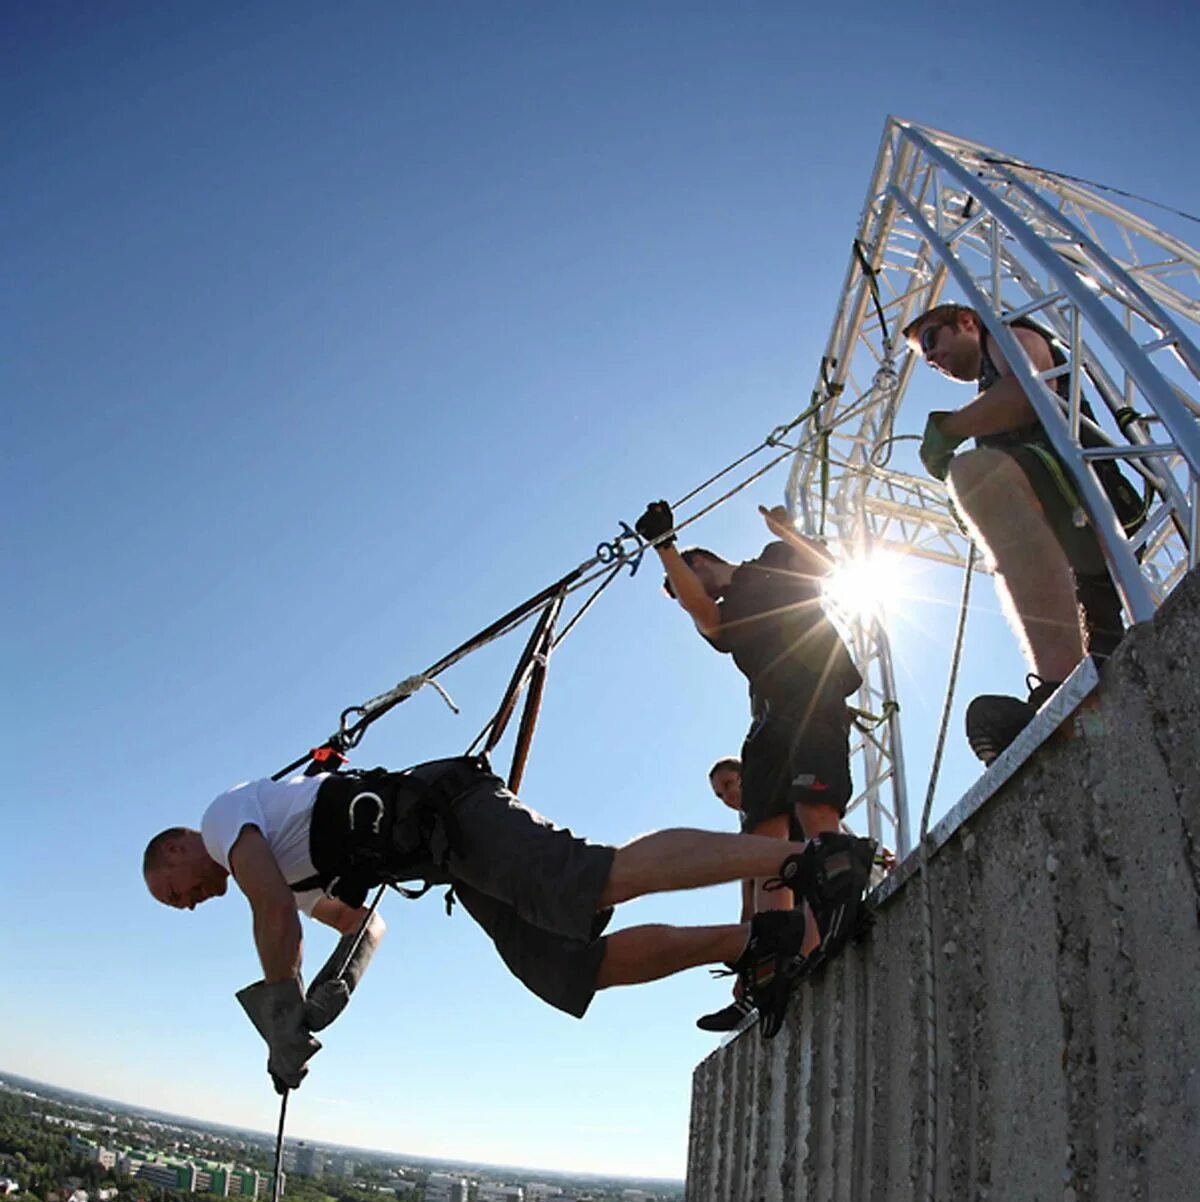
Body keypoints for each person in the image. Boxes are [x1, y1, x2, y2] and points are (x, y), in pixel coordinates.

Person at [142, 754, 866, 1085]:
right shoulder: (283, 874)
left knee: (587, 879)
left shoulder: (220, 821)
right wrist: (336, 986)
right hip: (445, 853)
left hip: (447, 812)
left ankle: (809, 860)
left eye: (173, 893)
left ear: (178, 848)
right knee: (561, 970)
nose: (187, 904)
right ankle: (759, 938)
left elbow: (272, 912)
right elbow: (364, 924)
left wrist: (281, 1018)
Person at [636, 497, 875, 965]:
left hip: (814, 690)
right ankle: (777, 944)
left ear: (701, 562)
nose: (683, 596)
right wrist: (665, 545)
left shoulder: (770, 563)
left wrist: (785, 530)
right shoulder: (718, 616)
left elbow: (823, 565)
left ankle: (834, 906)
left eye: (682, 578)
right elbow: (701, 608)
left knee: (812, 802)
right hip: (769, 715)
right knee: (764, 826)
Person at [904, 302, 1146, 763]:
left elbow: (1031, 392)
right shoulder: (985, 397)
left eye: (932, 340)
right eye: (925, 360)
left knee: (975, 473)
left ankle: (1060, 686)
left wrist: (950, 428)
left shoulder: (1006, 337)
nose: (932, 360)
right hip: (1078, 562)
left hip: (1087, 495)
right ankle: (1077, 692)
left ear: (967, 322)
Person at [696, 757, 754, 1035]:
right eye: (719, 795)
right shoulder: (747, 824)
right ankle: (751, 992)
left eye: (730, 785)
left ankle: (756, 991)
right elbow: (748, 886)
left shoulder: (776, 806)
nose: (727, 797)